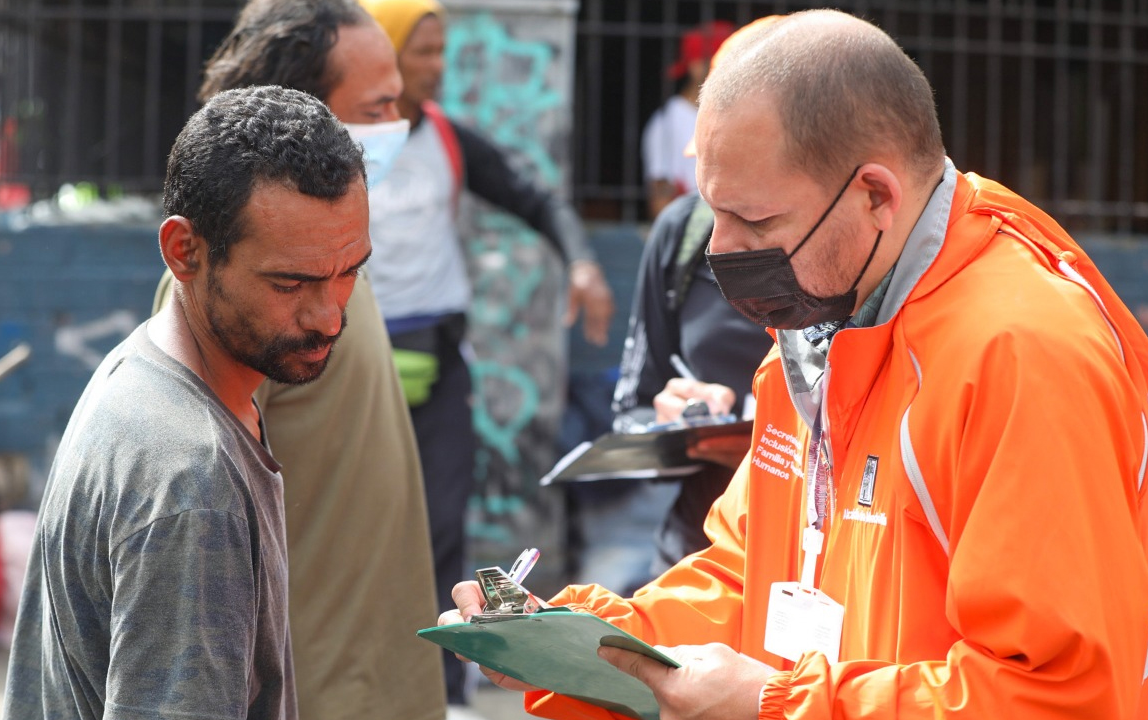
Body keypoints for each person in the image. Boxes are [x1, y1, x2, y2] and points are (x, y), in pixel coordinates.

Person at [446, 9, 1148, 719]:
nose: (720, 250)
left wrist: (778, 706)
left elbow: (1059, 697)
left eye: (756, 222)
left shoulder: (1022, 357)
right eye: (712, 212)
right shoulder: (821, 325)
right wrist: (578, 642)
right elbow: (749, 579)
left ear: (875, 197)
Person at [4, 85, 367, 718]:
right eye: (290, 283)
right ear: (184, 252)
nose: (329, 315)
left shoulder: (143, 367)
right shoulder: (192, 482)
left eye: (350, 271)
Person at [152, 2, 448, 719]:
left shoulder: (330, 257)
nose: (399, 119)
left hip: (383, 680)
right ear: (299, 115)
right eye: (378, 107)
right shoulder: (224, 292)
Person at [358, 0, 615, 706]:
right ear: (386, 53)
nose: (437, 68)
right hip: (358, 362)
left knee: (440, 521)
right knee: (358, 529)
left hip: (439, 353)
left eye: (443, 52)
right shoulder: (340, 141)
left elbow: (536, 197)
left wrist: (582, 264)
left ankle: (444, 692)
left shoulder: (447, 136)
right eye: (424, 52)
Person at [614, 16, 782, 578]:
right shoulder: (682, 235)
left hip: (816, 564)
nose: (725, 240)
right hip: (699, 552)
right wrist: (675, 423)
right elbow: (633, 411)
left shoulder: (871, 257)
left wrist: (779, 444)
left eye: (755, 209)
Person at [641, 19, 733, 219]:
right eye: (725, 59)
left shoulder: (737, 115)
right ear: (696, 65)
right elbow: (660, 197)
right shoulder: (667, 121)